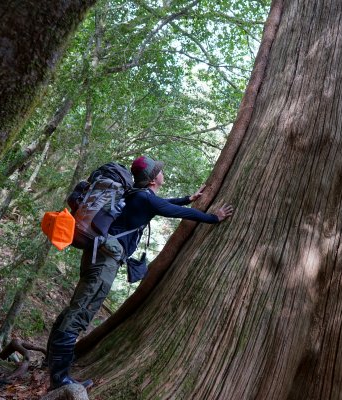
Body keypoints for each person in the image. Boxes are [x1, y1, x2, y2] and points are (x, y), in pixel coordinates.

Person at [46, 156, 233, 391]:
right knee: (82, 310)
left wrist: (188, 198)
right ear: (154, 179)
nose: (163, 173)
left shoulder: (138, 194)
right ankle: (59, 378)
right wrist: (213, 218)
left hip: (98, 253)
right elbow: (173, 211)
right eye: (161, 171)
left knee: (76, 306)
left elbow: (162, 204)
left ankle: (50, 362)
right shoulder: (144, 197)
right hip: (106, 259)